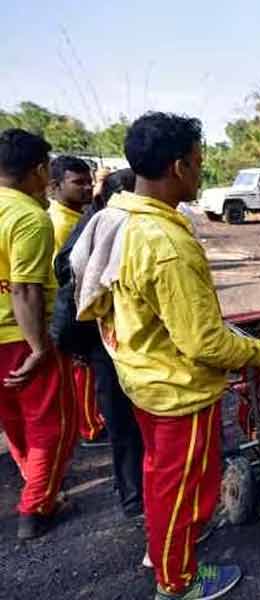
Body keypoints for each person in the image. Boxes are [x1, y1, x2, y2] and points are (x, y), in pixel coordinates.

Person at [71, 112, 260, 600]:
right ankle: (177, 584)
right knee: (186, 493)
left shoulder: (119, 215)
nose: (200, 170)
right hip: (178, 391)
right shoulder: (165, 244)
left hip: (142, 375)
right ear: (178, 167)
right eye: (198, 162)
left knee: (160, 477)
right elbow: (204, 343)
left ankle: (164, 554)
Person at [51, 168, 145, 518]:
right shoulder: (112, 227)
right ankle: (140, 500)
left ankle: (134, 495)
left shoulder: (89, 224)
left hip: (103, 340)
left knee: (123, 422)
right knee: (129, 421)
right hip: (113, 341)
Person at [0, 128, 78, 540]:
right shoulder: (29, 216)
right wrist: (37, 348)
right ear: (39, 170)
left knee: (13, 421)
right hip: (21, 337)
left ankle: (36, 485)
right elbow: (25, 288)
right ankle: (37, 507)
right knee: (54, 425)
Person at [48, 155, 108, 447]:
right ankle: (91, 428)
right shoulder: (60, 224)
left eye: (89, 182)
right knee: (82, 370)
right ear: (55, 186)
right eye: (78, 183)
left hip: (76, 308)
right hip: (74, 310)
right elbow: (66, 278)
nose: (86, 189)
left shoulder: (77, 217)